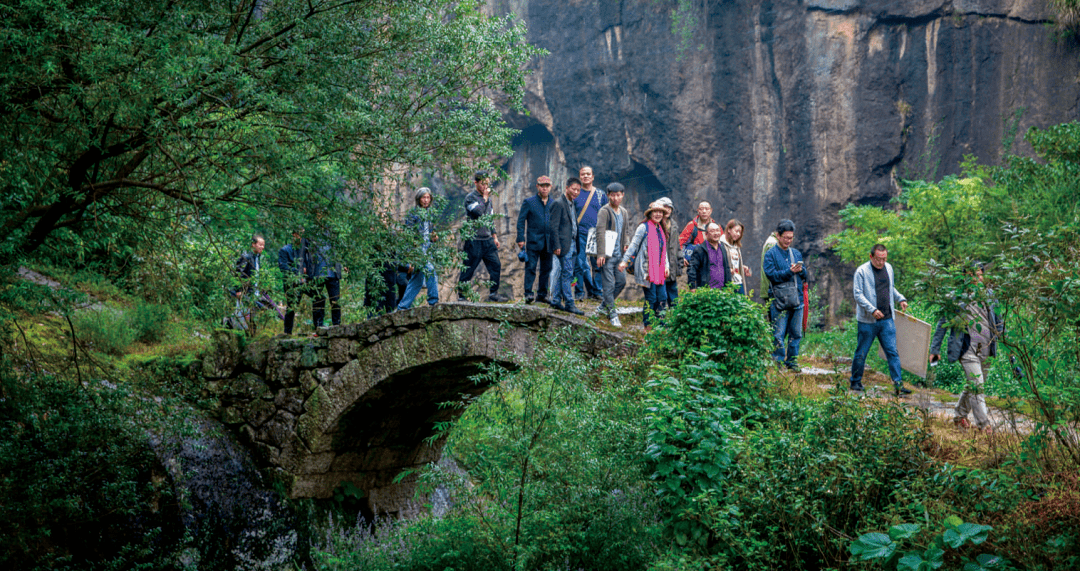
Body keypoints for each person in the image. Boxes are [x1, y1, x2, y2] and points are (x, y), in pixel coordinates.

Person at [930, 264, 1004, 431]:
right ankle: (984, 426)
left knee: (975, 384)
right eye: (972, 276)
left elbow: (998, 321)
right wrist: (935, 350)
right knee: (977, 386)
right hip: (966, 349)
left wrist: (1005, 343)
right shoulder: (955, 297)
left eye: (979, 275)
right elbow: (942, 324)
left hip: (986, 347)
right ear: (964, 278)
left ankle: (959, 416)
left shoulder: (990, 296)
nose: (976, 279)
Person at [849, 245, 910, 395]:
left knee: (892, 352)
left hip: (887, 319)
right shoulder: (861, 271)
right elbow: (858, 295)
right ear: (871, 257)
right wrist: (872, 310)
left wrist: (900, 298)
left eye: (884, 259)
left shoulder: (888, 268)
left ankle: (898, 385)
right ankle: (855, 382)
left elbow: (891, 288)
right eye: (878, 259)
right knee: (862, 352)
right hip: (867, 321)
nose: (881, 262)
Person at [762, 220, 808, 371]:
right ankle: (778, 362)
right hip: (779, 300)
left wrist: (801, 270)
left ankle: (792, 361)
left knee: (796, 333)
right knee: (778, 334)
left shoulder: (795, 253)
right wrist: (790, 271)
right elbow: (771, 276)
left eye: (791, 238)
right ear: (778, 236)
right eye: (786, 237)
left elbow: (805, 275)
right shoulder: (770, 254)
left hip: (797, 299)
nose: (788, 241)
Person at [458, 170, 508, 302]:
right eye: (482, 184)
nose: (486, 187)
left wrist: (495, 236)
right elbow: (479, 212)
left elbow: (489, 219)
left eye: (487, 183)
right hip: (473, 240)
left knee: (496, 265)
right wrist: (485, 198)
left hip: (487, 240)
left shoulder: (489, 200)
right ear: (476, 183)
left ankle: (493, 293)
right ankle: (462, 296)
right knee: (468, 268)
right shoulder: (470, 198)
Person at [619, 202, 669, 331]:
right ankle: (648, 327)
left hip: (659, 271)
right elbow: (634, 245)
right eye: (655, 211)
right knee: (651, 298)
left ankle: (660, 326)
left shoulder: (661, 229)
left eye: (660, 212)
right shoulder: (644, 227)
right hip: (647, 270)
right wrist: (625, 261)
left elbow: (664, 250)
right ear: (650, 213)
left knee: (662, 298)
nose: (658, 214)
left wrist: (666, 266)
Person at [594, 183, 631, 327]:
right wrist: (600, 254)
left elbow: (626, 231)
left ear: (622, 195)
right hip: (607, 256)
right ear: (608, 195)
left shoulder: (624, 212)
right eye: (613, 195)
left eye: (618, 194)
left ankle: (603, 306)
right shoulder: (604, 211)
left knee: (621, 282)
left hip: (619, 255)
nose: (616, 197)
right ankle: (613, 315)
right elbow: (600, 232)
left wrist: (626, 243)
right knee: (608, 285)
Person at [228, 234, 283, 331]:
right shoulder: (246, 257)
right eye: (260, 244)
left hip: (254, 293)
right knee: (242, 318)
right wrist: (238, 290)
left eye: (263, 245)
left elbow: (256, 276)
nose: (262, 247)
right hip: (245, 294)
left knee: (253, 318)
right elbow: (238, 274)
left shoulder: (256, 258)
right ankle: (230, 326)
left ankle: (250, 336)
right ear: (253, 244)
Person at [397, 187, 441, 310]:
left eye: (428, 197)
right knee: (430, 270)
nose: (426, 200)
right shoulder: (413, 215)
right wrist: (412, 253)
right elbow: (409, 235)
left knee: (417, 280)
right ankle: (433, 302)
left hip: (428, 250)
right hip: (418, 251)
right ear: (418, 199)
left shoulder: (431, 214)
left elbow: (431, 232)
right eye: (423, 197)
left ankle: (403, 307)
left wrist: (434, 237)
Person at [516, 175, 554, 304]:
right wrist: (520, 238)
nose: (544, 188)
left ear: (550, 187)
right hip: (533, 241)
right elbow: (521, 221)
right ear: (537, 186)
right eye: (542, 186)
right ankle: (528, 293)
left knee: (546, 268)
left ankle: (542, 294)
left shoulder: (553, 203)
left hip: (549, 242)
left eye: (547, 186)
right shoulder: (529, 202)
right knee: (531, 267)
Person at [549, 178, 584, 315]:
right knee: (567, 274)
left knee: (564, 273)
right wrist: (556, 245)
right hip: (564, 245)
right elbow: (553, 227)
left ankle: (556, 300)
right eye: (573, 189)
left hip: (573, 244)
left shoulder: (572, 204)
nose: (576, 192)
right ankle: (570, 303)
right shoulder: (558, 203)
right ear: (567, 187)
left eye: (578, 190)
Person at [573, 166, 607, 301]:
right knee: (579, 264)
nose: (585, 176)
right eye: (583, 174)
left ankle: (597, 292)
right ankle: (579, 292)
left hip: (596, 234)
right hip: (579, 234)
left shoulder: (600, 194)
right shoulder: (575, 193)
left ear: (593, 177)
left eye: (588, 174)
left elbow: (606, 214)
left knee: (597, 264)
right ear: (580, 177)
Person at [278, 227, 315, 336]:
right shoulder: (285, 250)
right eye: (299, 234)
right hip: (292, 283)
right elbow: (283, 267)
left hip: (306, 282)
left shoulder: (307, 250)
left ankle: (318, 326)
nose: (301, 237)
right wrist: (299, 271)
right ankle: (287, 333)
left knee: (319, 297)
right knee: (292, 307)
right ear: (294, 235)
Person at [308, 227, 343, 330]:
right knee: (317, 300)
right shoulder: (311, 233)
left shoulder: (334, 232)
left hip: (333, 273)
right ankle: (318, 325)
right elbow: (304, 252)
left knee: (335, 300)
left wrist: (344, 264)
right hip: (317, 272)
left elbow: (340, 250)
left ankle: (337, 325)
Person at [686, 223, 734, 290]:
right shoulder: (700, 249)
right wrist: (693, 286)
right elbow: (692, 268)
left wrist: (729, 286)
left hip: (723, 291)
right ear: (706, 234)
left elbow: (727, 268)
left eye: (717, 230)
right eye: (712, 231)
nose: (716, 233)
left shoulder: (723, 248)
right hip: (706, 291)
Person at [656, 197, 681, 307]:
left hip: (672, 264)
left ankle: (674, 318)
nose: (668, 210)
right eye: (665, 207)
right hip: (659, 264)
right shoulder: (655, 224)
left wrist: (679, 263)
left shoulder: (674, 225)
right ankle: (660, 317)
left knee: (673, 293)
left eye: (670, 208)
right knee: (660, 294)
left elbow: (677, 246)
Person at [719, 219, 752, 296]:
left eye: (740, 232)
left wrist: (742, 267)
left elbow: (735, 263)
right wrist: (728, 269)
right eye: (736, 231)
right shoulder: (721, 244)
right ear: (729, 230)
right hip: (728, 282)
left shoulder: (736, 246)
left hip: (738, 281)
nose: (738, 234)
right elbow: (717, 263)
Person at [678, 201, 714, 266]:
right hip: (695, 263)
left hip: (711, 264)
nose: (704, 211)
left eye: (706, 209)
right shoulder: (691, 225)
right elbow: (680, 242)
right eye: (701, 209)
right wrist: (681, 257)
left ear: (711, 211)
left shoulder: (716, 227)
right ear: (698, 211)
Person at [760, 229, 779, 302]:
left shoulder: (771, 241)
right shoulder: (772, 244)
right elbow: (775, 267)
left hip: (769, 287)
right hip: (772, 288)